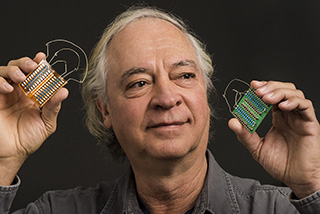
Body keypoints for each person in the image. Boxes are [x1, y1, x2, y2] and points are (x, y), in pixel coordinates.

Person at [1, 6, 320, 214]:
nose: (167, 97)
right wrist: (1, 164)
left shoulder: (281, 209)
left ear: (205, 96)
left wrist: (312, 186)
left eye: (184, 76)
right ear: (105, 111)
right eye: (138, 83)